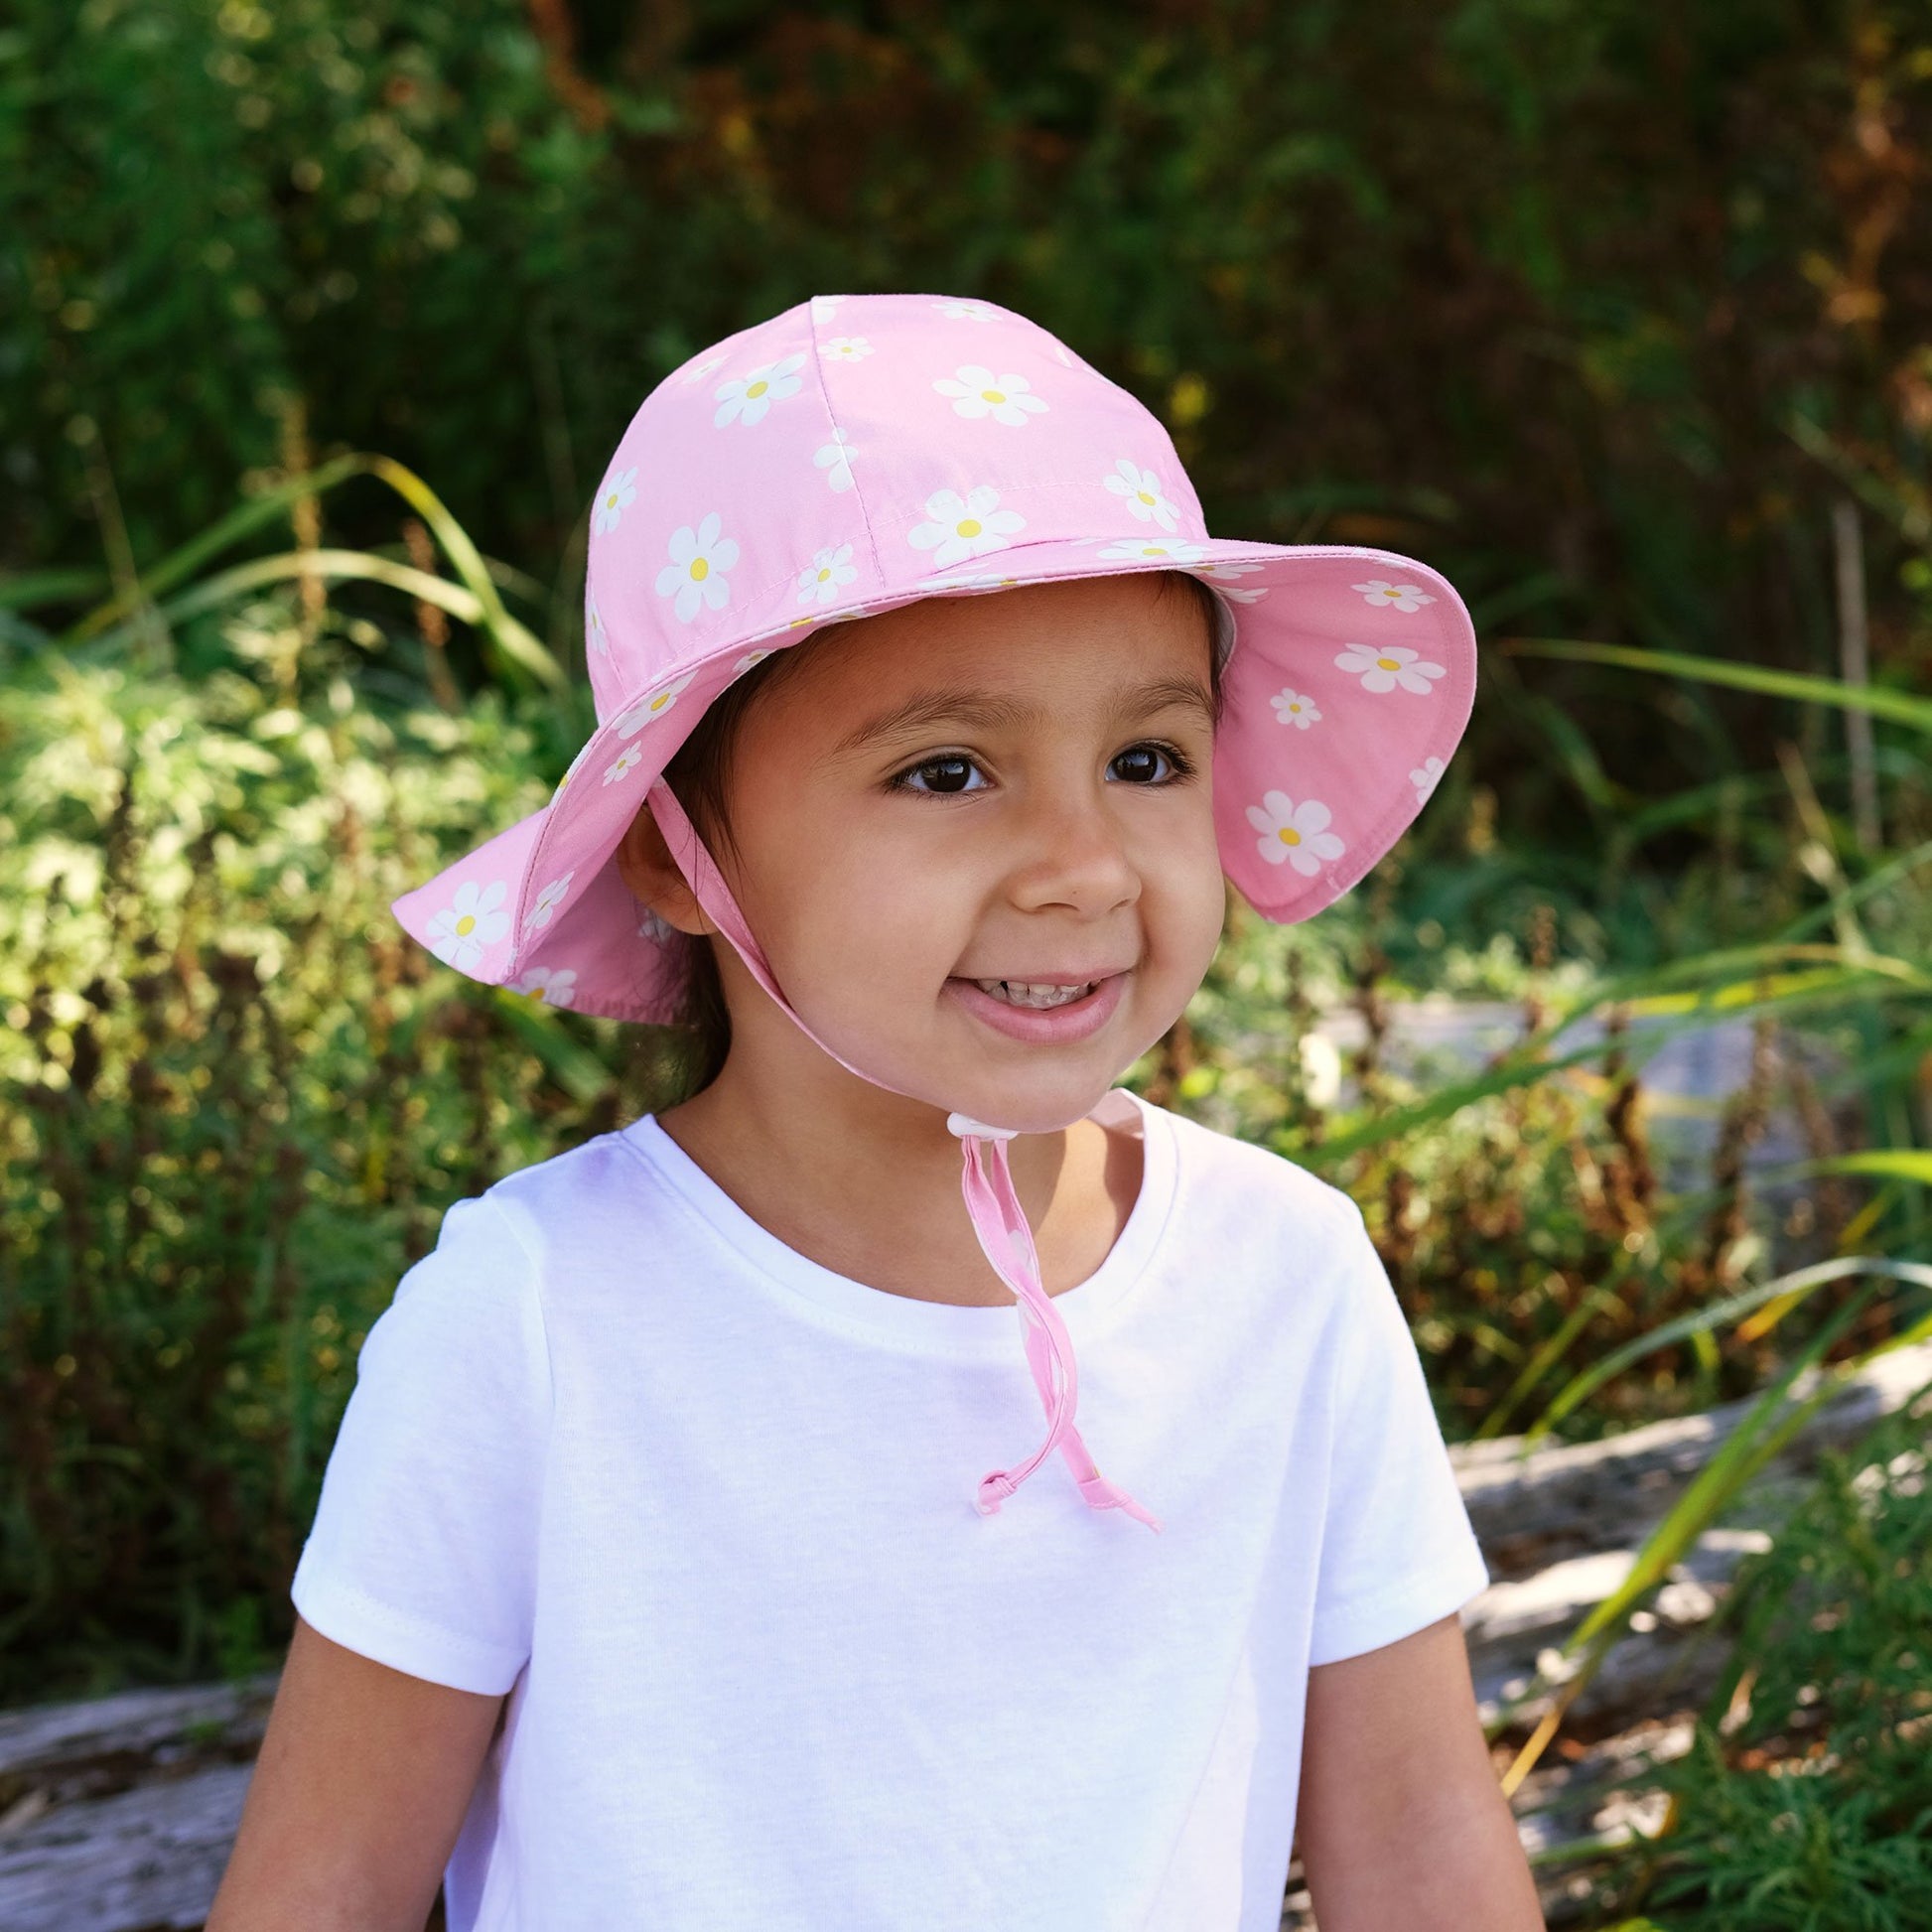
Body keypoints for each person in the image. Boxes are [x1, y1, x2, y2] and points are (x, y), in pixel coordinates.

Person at [207, 293, 1545, 1932]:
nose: (1082, 868)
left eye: (1146, 759)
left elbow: (1418, 1847)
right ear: (674, 849)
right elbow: (321, 1895)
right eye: (945, 772)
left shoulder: (1284, 1274)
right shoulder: (534, 1318)